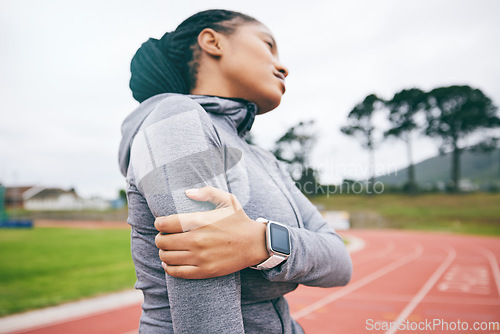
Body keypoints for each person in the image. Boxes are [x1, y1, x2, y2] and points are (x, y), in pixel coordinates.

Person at [118, 9, 352, 334]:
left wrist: (263, 243)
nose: (282, 65)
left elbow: (340, 262)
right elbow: (207, 321)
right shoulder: (176, 121)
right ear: (212, 42)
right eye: (268, 45)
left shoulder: (264, 159)